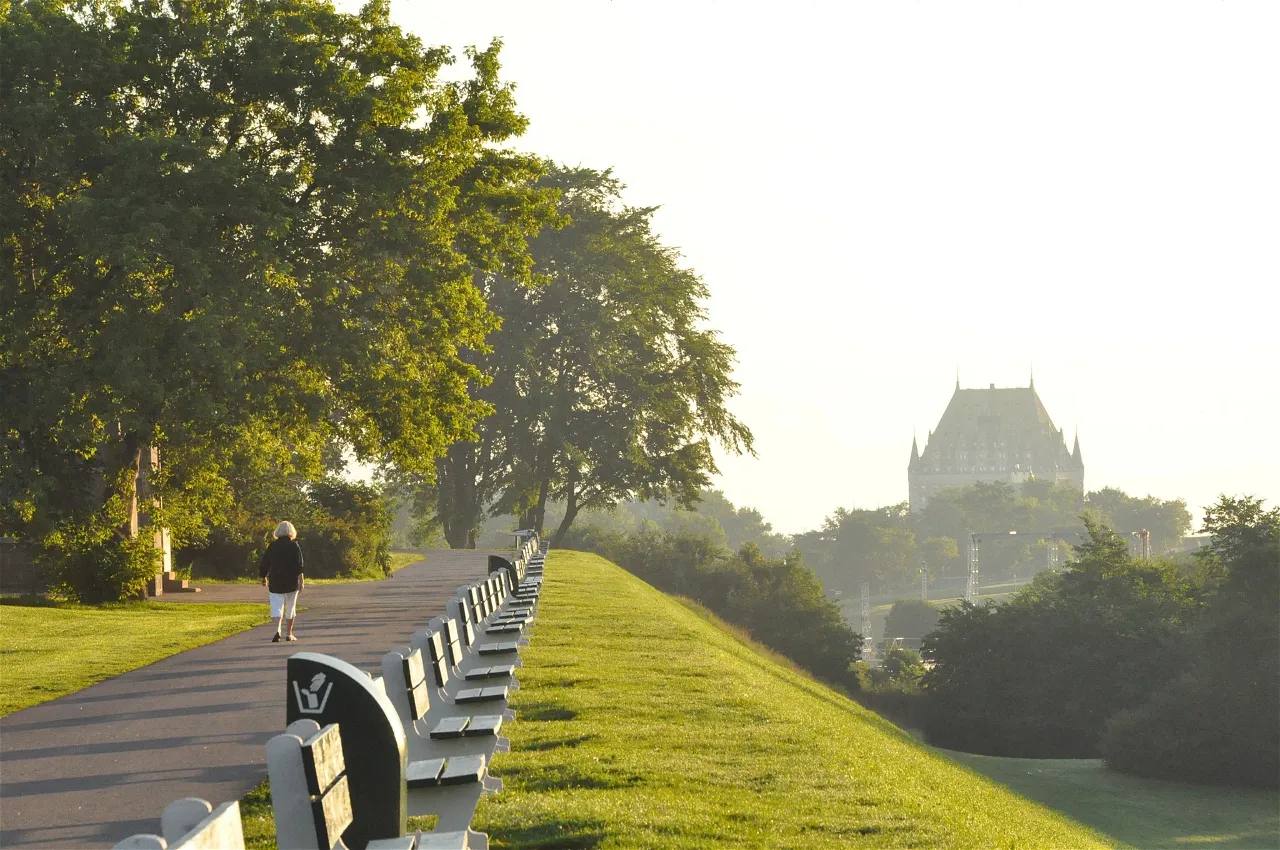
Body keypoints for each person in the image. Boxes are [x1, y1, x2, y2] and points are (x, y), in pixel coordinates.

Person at [259, 521, 304, 642]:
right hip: (291, 581)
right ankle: (289, 634)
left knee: (277, 606)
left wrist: (263, 576)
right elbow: (299, 565)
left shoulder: (272, 546)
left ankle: (277, 630)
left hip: (276, 580)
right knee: (290, 607)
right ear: (291, 532)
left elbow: (265, 562)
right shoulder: (294, 546)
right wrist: (301, 580)